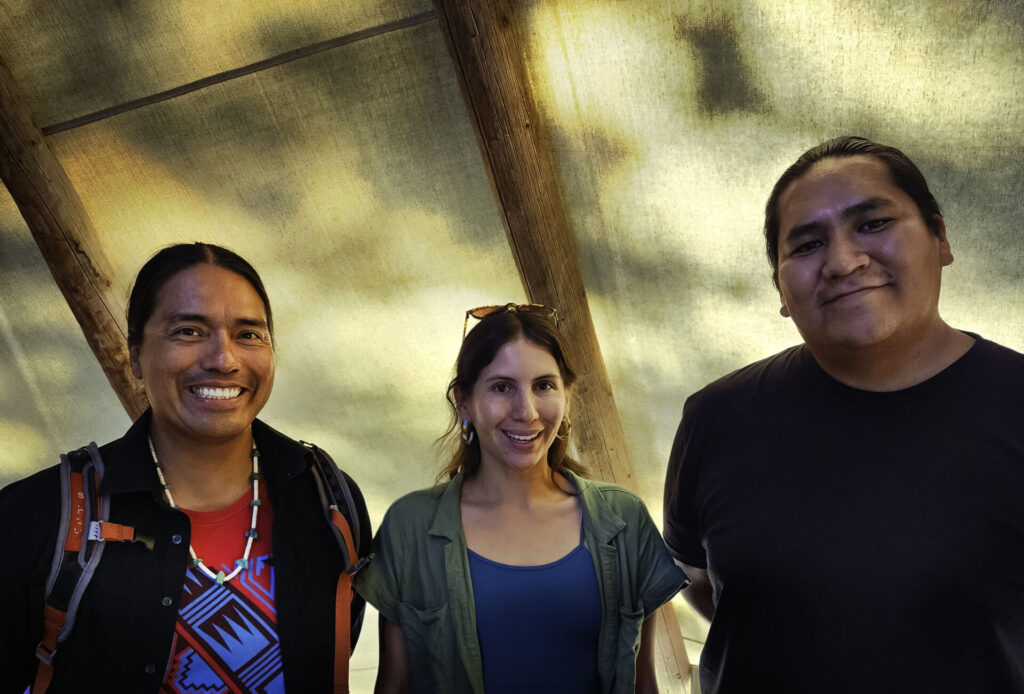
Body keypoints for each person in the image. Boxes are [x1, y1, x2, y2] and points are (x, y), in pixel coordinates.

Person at [663, 136, 1024, 692]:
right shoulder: (716, 416)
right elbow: (699, 579)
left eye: (874, 223)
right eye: (805, 245)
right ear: (781, 289)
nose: (843, 261)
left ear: (941, 237)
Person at [0, 243, 371, 692]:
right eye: (189, 331)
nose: (224, 359)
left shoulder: (327, 499)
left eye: (249, 334)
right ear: (135, 355)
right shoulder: (38, 516)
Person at [356, 303, 687, 693]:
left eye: (543, 385)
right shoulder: (409, 526)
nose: (526, 411)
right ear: (463, 401)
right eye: (502, 387)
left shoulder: (624, 520)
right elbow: (393, 686)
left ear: (568, 396)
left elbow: (643, 683)